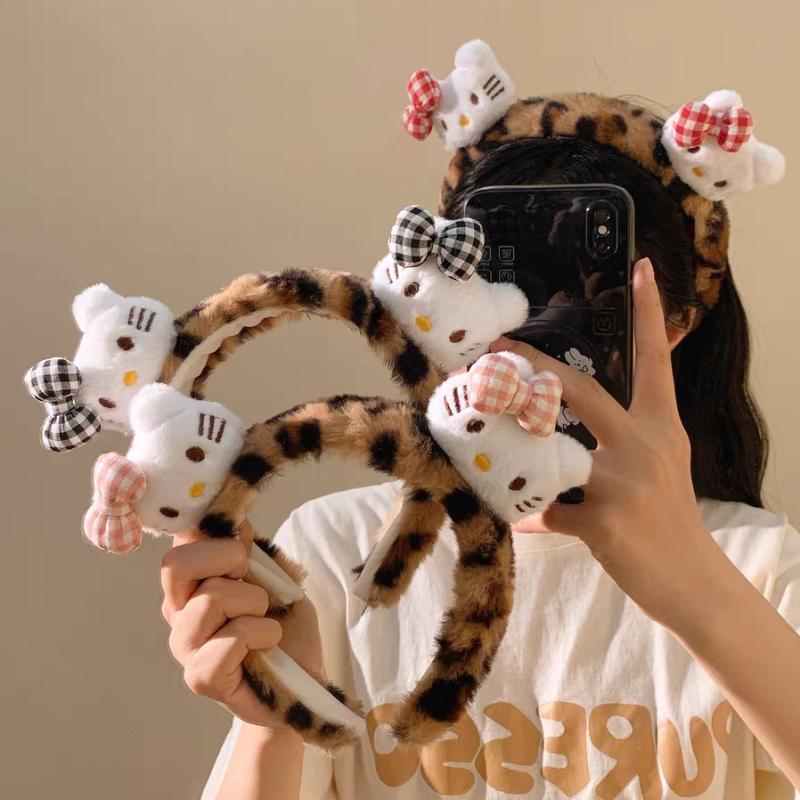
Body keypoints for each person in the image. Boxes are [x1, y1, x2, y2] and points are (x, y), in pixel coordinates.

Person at [161, 124, 800, 797]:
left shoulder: (762, 568)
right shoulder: (336, 553)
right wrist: (279, 721)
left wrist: (699, 591)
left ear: (673, 329)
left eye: (584, 306)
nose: (533, 342)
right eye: (501, 295)